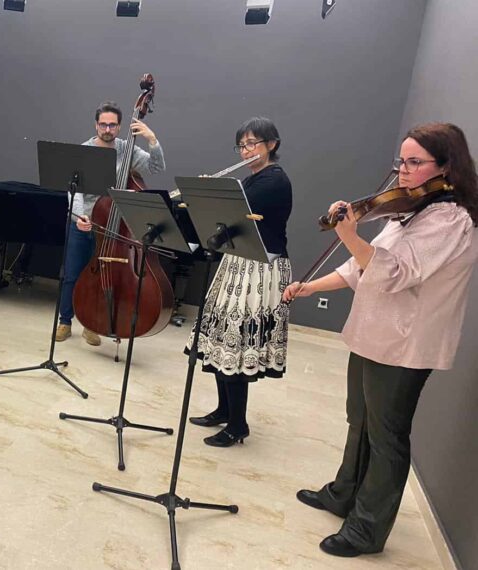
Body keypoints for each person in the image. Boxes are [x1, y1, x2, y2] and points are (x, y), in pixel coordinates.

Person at [284, 123, 478, 558]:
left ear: (445, 165)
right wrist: (310, 287)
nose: (401, 172)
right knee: (360, 420)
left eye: (413, 163)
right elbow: (362, 269)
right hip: (373, 335)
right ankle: (343, 494)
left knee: (387, 436)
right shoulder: (411, 210)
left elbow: (394, 274)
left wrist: (350, 235)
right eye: (401, 161)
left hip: (407, 345)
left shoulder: (451, 219)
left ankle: (366, 531)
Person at [187, 117, 292, 447]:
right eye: (242, 145)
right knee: (219, 338)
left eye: (253, 144)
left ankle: (237, 425)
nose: (246, 150)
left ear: (271, 145)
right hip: (238, 262)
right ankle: (223, 410)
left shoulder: (273, 181)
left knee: (235, 340)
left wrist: (213, 196)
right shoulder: (251, 180)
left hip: (260, 268)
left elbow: (238, 210)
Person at [56, 101, 165, 346]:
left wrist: (152, 140)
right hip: (82, 220)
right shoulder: (84, 151)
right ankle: (65, 321)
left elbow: (156, 168)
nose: (107, 129)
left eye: (112, 125)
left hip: (110, 225)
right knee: (72, 274)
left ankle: (91, 324)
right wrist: (79, 217)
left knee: (101, 275)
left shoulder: (128, 149)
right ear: (96, 125)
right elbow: (74, 191)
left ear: (119, 127)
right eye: (103, 124)